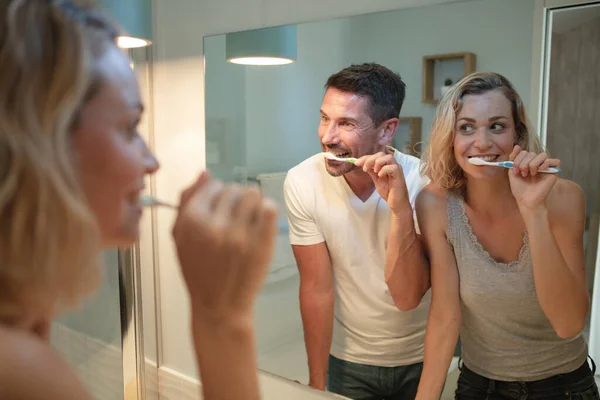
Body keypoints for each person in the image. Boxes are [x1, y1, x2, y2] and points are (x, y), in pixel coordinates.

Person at [0, 1, 276, 399]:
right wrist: (222, 317)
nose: (152, 161)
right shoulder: (19, 369)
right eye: (130, 127)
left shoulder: (22, 321)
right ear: (41, 146)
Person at [414, 72, 599, 400]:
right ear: (451, 138)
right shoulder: (435, 204)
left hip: (565, 388)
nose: (482, 142)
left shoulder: (565, 198)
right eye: (466, 127)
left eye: (497, 126)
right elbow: (444, 315)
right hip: (479, 387)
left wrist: (534, 211)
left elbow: (569, 323)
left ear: (518, 134)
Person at [283, 63, 431, 400]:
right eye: (324, 118)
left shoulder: (424, 182)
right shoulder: (302, 181)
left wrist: (400, 207)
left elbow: (409, 295)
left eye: (346, 123)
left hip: (424, 355)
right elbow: (317, 289)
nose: (327, 137)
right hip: (348, 358)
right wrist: (316, 384)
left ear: (386, 130)